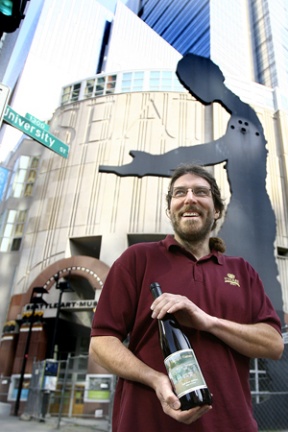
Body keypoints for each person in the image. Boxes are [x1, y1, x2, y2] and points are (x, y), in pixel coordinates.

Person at [89, 163, 284, 432]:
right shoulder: (137, 259)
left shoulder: (242, 271)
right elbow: (100, 344)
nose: (189, 198)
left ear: (216, 210)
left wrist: (208, 322)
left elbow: (274, 345)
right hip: (146, 423)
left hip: (231, 424)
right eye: (180, 193)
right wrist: (156, 379)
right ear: (170, 209)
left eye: (200, 192)